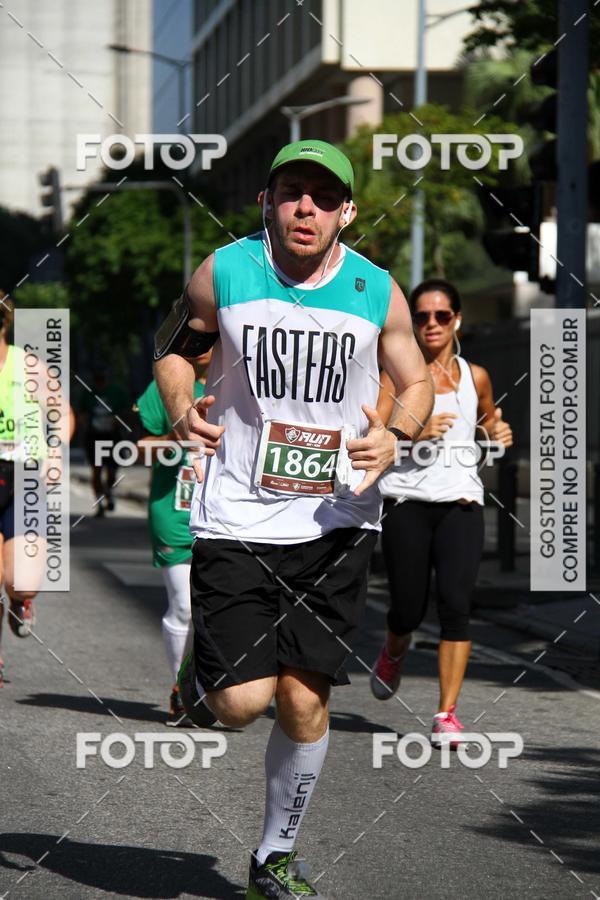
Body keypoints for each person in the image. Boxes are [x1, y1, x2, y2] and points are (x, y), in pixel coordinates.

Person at [154, 139, 433, 899]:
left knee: (305, 697)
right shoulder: (226, 270)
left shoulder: (377, 289)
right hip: (237, 512)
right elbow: (176, 353)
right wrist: (183, 405)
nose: (304, 206)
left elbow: (415, 382)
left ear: (347, 211)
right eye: (290, 192)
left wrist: (396, 432)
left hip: (336, 520)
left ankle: (273, 856)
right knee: (241, 705)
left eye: (321, 195)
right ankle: (206, 670)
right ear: (266, 203)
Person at [371, 278, 513, 746]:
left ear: (457, 321)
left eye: (441, 316)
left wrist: (497, 434)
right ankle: (394, 648)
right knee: (408, 608)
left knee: (456, 606)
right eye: (421, 316)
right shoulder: (396, 375)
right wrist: (413, 427)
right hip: (407, 502)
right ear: (410, 322)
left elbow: (489, 420)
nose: (431, 324)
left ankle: (446, 714)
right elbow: (371, 427)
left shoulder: (476, 376)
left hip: (461, 503)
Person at [0, 294, 74, 686]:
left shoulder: (28, 367)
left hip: (22, 475)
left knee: (21, 579)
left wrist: (55, 453)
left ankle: (20, 600)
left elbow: (61, 413)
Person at [134, 353, 211, 725]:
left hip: (228, 517)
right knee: (183, 605)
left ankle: (210, 686)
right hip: (175, 513)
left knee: (214, 612)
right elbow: (139, 448)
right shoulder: (166, 384)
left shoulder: (243, 380)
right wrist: (175, 434)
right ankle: (181, 690)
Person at [78, 369, 129, 516]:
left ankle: (109, 491)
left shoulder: (117, 391)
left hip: (112, 436)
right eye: (97, 379)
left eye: (102, 379)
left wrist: (118, 420)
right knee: (96, 470)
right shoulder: (88, 393)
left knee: (112, 470)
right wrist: (84, 421)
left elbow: (126, 410)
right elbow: (81, 412)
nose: (100, 382)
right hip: (94, 437)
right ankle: (99, 502)